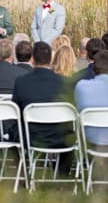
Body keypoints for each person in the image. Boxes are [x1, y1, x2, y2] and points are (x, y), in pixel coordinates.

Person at [12, 41, 75, 176]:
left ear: (33, 59)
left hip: (31, 136)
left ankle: (22, 173)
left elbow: (16, 110)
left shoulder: (21, 82)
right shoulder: (64, 82)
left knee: (15, 128)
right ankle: (62, 174)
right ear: (51, 59)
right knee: (71, 132)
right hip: (60, 137)